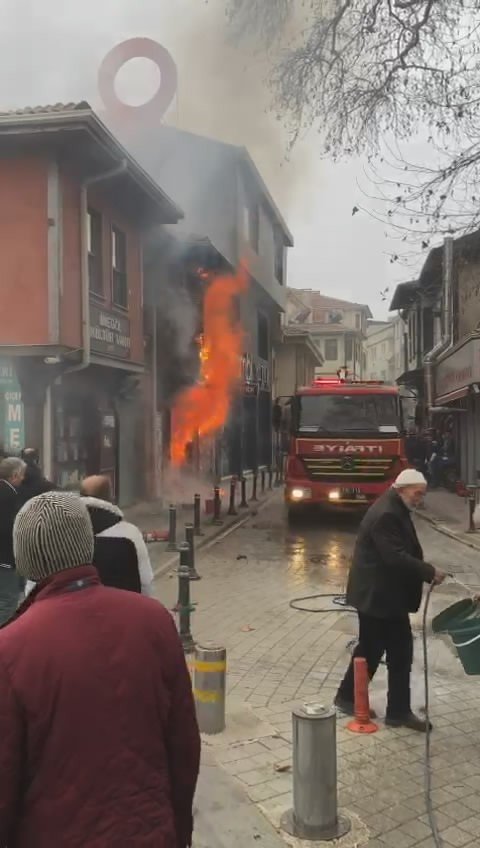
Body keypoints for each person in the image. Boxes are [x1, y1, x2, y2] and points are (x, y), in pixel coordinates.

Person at [0, 491, 200, 847]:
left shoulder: (11, 648)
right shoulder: (153, 620)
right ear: (86, 546)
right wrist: (179, 828)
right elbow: (183, 743)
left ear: (25, 559)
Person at [335, 468, 446, 732]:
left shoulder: (395, 506)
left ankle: (350, 698)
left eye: (422, 495)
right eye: (417, 493)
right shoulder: (387, 512)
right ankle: (395, 712)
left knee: (373, 650)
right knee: (396, 652)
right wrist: (428, 571)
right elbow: (394, 556)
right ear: (402, 489)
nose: (420, 499)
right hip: (379, 597)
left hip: (383, 595)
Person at [80, 475, 155, 596]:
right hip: (124, 608)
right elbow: (145, 581)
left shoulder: (66, 530)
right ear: (111, 497)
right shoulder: (129, 533)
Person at [0, 456, 26, 624]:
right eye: (22, 474)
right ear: (15, 475)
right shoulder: (8, 495)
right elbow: (7, 528)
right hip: (6, 558)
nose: (24, 478)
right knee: (8, 602)